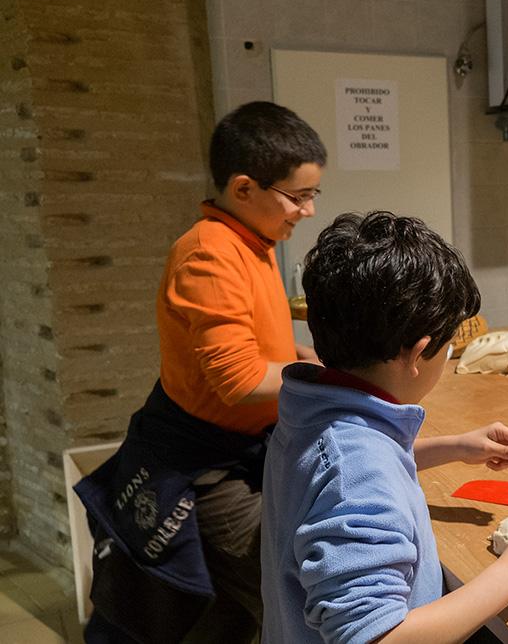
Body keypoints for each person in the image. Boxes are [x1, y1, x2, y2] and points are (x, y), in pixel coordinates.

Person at [261, 211, 508, 643]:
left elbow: (338, 476)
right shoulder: (355, 475)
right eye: (448, 349)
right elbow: (375, 638)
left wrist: (453, 447)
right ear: (419, 353)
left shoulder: (313, 409)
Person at [74, 101, 326, 643]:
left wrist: (298, 358)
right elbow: (238, 382)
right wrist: (331, 380)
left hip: (238, 450)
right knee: (274, 591)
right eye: (298, 196)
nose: (306, 211)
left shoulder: (254, 242)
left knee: (233, 610)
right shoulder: (208, 255)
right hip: (204, 466)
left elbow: (253, 347)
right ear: (243, 189)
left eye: (312, 196)